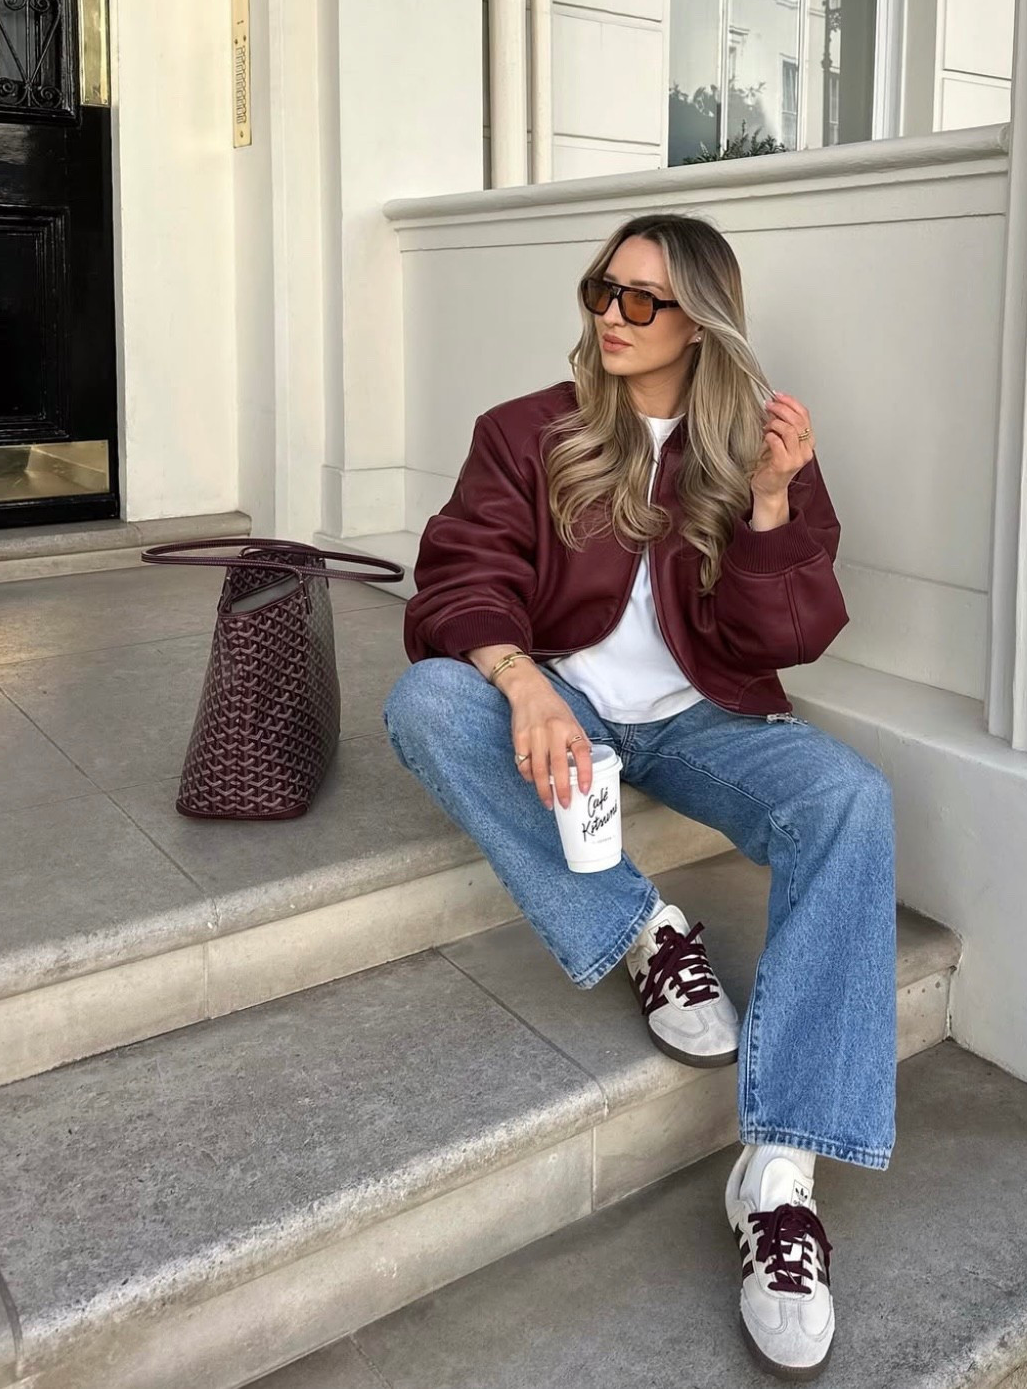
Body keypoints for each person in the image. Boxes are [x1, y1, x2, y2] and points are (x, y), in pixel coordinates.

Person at [382, 212, 896, 1381]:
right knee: (426, 702)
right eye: (602, 292)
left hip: (705, 717)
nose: (611, 316)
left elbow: (795, 634)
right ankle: (643, 928)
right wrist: (523, 682)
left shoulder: (754, 447)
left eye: (643, 300)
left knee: (849, 800)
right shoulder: (526, 433)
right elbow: (461, 575)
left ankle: (777, 1179)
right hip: (564, 696)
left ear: (701, 317)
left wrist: (771, 503)